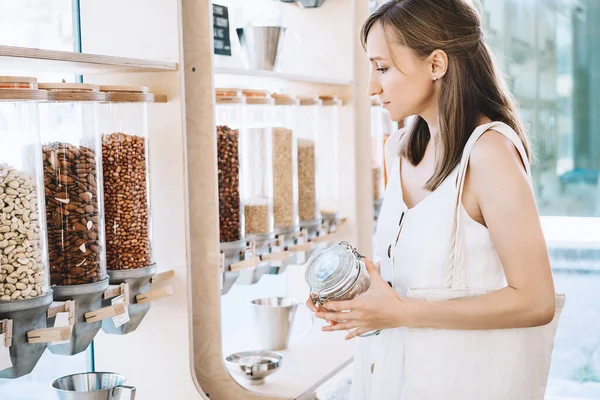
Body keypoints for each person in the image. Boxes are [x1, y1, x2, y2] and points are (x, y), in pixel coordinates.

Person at [306, 0, 557, 398]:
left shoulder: (488, 153)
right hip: (388, 378)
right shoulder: (398, 149)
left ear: (437, 64)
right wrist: (360, 299)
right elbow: (414, 283)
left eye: (383, 68)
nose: (372, 86)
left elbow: (536, 301)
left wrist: (403, 313)